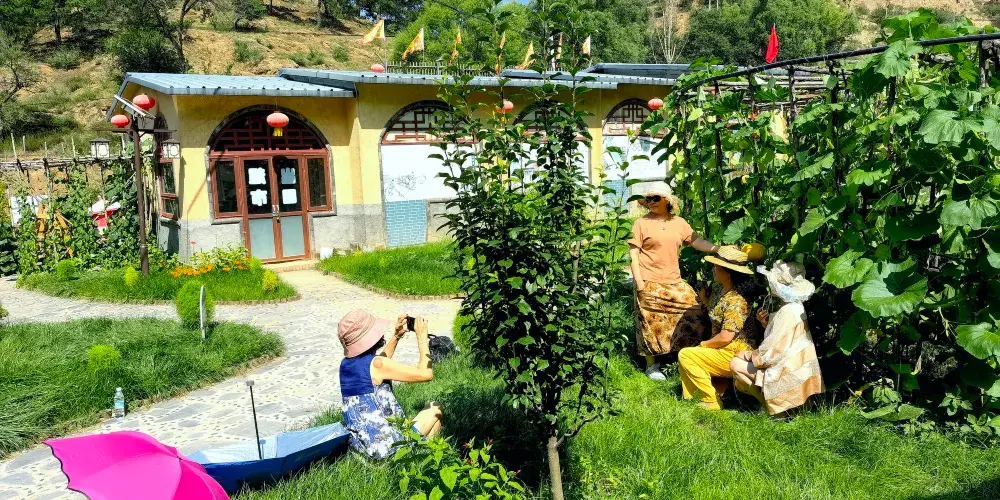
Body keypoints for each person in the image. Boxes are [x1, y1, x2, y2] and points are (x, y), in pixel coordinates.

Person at [629, 183, 719, 381]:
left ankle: (683, 356)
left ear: (667, 200)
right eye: (648, 199)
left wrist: (717, 249)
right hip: (649, 279)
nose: (651, 202)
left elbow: (696, 241)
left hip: (674, 280)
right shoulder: (641, 223)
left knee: (696, 312)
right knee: (650, 322)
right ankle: (652, 366)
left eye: (655, 198)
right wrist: (639, 282)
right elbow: (633, 254)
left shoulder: (679, 223)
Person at [337, 309, 443, 459]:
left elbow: (377, 364)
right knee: (435, 408)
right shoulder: (378, 365)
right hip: (390, 450)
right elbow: (426, 374)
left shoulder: (345, 365)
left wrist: (397, 336)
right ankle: (423, 459)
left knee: (418, 423)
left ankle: (420, 456)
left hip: (364, 451)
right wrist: (422, 339)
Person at [730, 261, 824, 415]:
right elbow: (786, 340)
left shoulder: (787, 311)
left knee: (735, 364)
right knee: (739, 379)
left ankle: (774, 411)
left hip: (787, 373)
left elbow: (773, 352)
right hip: (797, 370)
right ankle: (783, 410)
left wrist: (748, 355)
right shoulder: (795, 307)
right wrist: (766, 324)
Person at [677, 245, 762, 410]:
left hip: (736, 351)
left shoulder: (737, 300)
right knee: (695, 357)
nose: (713, 269)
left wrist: (703, 345)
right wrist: (705, 300)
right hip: (724, 347)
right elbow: (717, 313)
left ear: (728, 272)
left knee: (686, 355)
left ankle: (710, 401)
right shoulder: (719, 290)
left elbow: (725, 337)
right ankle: (711, 393)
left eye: (716, 266)